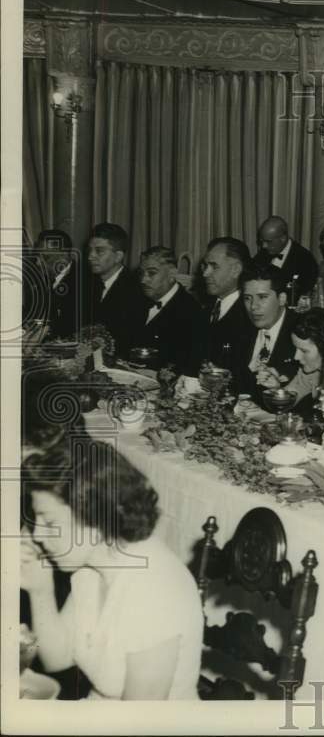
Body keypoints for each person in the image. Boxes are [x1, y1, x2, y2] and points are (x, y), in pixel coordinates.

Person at [20, 443, 203, 699]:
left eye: (50, 522)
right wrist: (41, 588)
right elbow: (57, 659)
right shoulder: (93, 564)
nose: (37, 534)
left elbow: (141, 721)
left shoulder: (156, 591)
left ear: (94, 521)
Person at [257, 308, 324, 419]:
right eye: (296, 349)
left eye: (304, 351)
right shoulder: (312, 371)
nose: (296, 357)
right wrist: (276, 388)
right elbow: (288, 401)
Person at [134, 246, 205, 377]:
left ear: (172, 274)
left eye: (152, 273)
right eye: (141, 273)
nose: (143, 280)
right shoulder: (138, 301)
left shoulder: (190, 311)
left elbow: (188, 366)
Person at [235, 264, 299, 400]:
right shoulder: (240, 327)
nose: (253, 306)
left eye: (262, 297)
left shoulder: (301, 334)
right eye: (247, 298)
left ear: (282, 298)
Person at [83, 223, 145, 358]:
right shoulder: (86, 284)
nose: (90, 256)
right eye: (90, 250)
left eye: (99, 251)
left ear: (118, 256)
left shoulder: (137, 289)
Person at [200, 236, 256, 375]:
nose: (205, 273)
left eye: (214, 266)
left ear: (236, 270)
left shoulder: (250, 314)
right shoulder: (207, 307)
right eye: (205, 266)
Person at [24, 229, 81, 339]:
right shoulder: (36, 279)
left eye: (45, 257)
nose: (37, 263)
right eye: (37, 256)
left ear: (64, 256)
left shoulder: (84, 282)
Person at [252, 215, 319, 300]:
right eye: (262, 241)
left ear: (283, 238)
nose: (264, 246)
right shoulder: (261, 256)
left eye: (268, 241)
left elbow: (305, 294)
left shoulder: (305, 259)